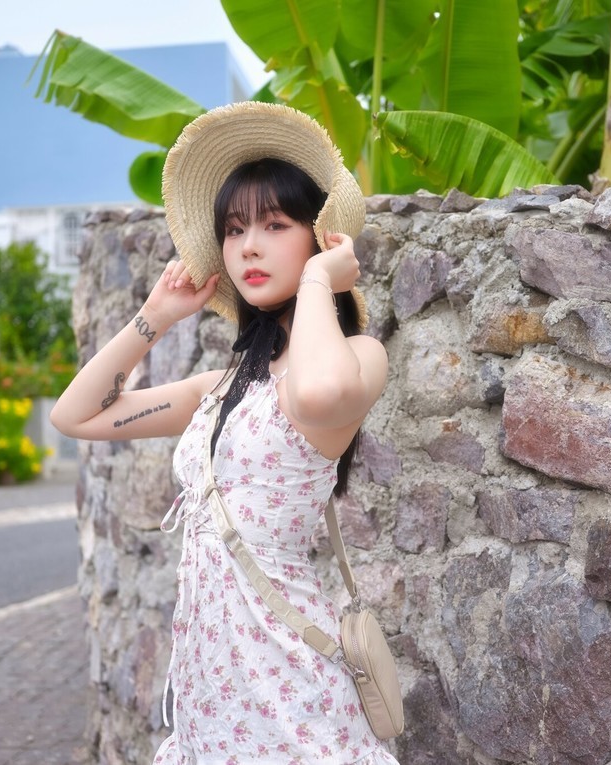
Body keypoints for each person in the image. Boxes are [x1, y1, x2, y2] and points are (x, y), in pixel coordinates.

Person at [50, 102, 397, 764]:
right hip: (212, 685)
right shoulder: (221, 388)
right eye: (234, 230)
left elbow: (317, 393)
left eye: (275, 224)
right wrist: (155, 316)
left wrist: (319, 279)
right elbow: (76, 416)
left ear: (320, 237)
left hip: (291, 682)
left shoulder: (361, 358)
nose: (248, 247)